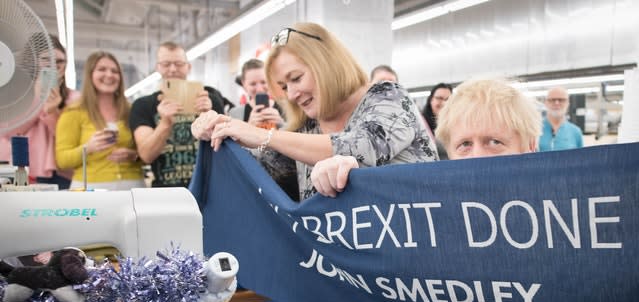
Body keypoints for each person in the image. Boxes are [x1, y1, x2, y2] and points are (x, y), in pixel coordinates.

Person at [255, 79, 614, 302]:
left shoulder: (560, 235)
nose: (476, 157)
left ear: (530, 148)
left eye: (495, 142)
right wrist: (353, 190)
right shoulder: (420, 214)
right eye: (465, 145)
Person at [191, 22, 438, 203]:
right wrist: (217, 130)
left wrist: (263, 135)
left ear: (326, 63)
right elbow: (259, 171)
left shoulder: (389, 97)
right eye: (284, 87)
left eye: (296, 78)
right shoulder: (307, 129)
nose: (291, 94)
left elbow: (363, 148)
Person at [129, 41, 226, 188]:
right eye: (166, 64)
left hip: (210, 188)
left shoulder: (211, 99)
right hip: (166, 194)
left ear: (189, 67)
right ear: (158, 68)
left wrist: (209, 116)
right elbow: (146, 155)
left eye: (179, 64)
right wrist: (165, 122)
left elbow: (225, 147)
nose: (173, 69)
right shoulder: (143, 105)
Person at [56, 51, 143, 190]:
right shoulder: (74, 112)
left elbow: (147, 152)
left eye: (115, 71)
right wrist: (88, 148)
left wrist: (135, 156)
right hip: (89, 189)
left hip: (133, 187)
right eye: (102, 69)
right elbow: (62, 160)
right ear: (90, 75)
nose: (109, 75)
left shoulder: (132, 110)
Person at [0, 34, 78, 189]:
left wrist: (52, 112)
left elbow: (69, 139)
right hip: (23, 168)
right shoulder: (16, 97)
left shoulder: (74, 98)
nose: (53, 66)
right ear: (32, 61)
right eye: (46, 59)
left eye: (60, 61)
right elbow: (10, 132)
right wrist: (38, 98)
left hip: (62, 171)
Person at [228, 58, 298, 199]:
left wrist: (281, 124)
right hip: (252, 180)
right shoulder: (235, 113)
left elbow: (299, 140)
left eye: (263, 82)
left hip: (286, 183)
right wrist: (247, 127)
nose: (259, 88)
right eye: (253, 84)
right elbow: (233, 152)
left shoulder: (288, 106)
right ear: (244, 84)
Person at [539, 86, 584, 151]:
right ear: (546, 103)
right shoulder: (534, 130)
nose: (556, 103)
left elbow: (581, 158)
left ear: (568, 103)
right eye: (552, 100)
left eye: (561, 100)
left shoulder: (576, 132)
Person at [422, 82, 453, 160]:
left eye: (447, 99)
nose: (444, 103)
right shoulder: (421, 124)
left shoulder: (457, 124)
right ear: (431, 100)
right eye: (439, 98)